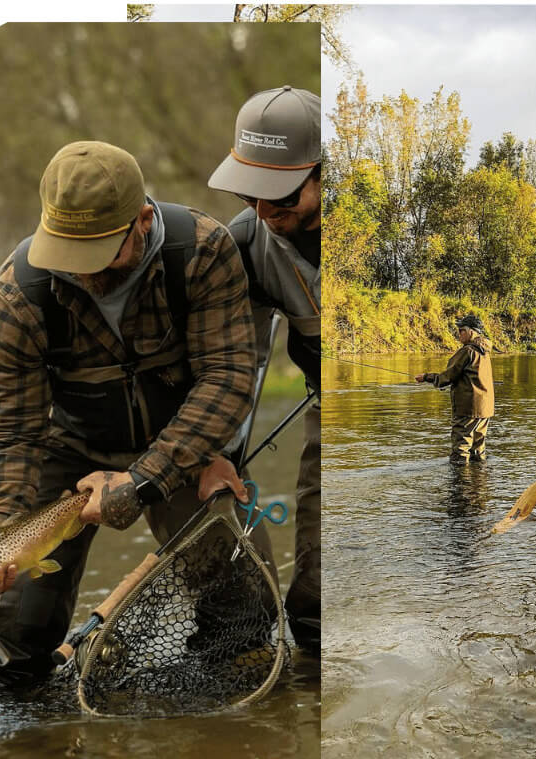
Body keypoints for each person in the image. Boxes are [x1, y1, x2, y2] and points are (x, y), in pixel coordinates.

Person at [0, 140, 267, 689]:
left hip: (183, 445)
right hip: (70, 450)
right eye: (65, 252)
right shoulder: (17, 296)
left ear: (143, 220)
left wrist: (143, 480)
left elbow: (227, 378)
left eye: (97, 253)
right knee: (10, 654)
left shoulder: (203, 251)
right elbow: (12, 433)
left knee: (242, 616)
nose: (79, 272)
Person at [201, 86, 321, 656]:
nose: (264, 212)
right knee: (316, 606)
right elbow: (234, 365)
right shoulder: (244, 245)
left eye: (281, 196)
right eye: (251, 195)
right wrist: (219, 453)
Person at [415, 314, 495, 464]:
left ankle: (461, 484)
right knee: (478, 450)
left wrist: (426, 377)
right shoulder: (484, 350)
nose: (459, 334)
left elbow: (448, 376)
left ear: (471, 331)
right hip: (485, 408)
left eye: (461, 330)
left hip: (468, 409)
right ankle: (479, 483)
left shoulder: (468, 351)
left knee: (461, 451)